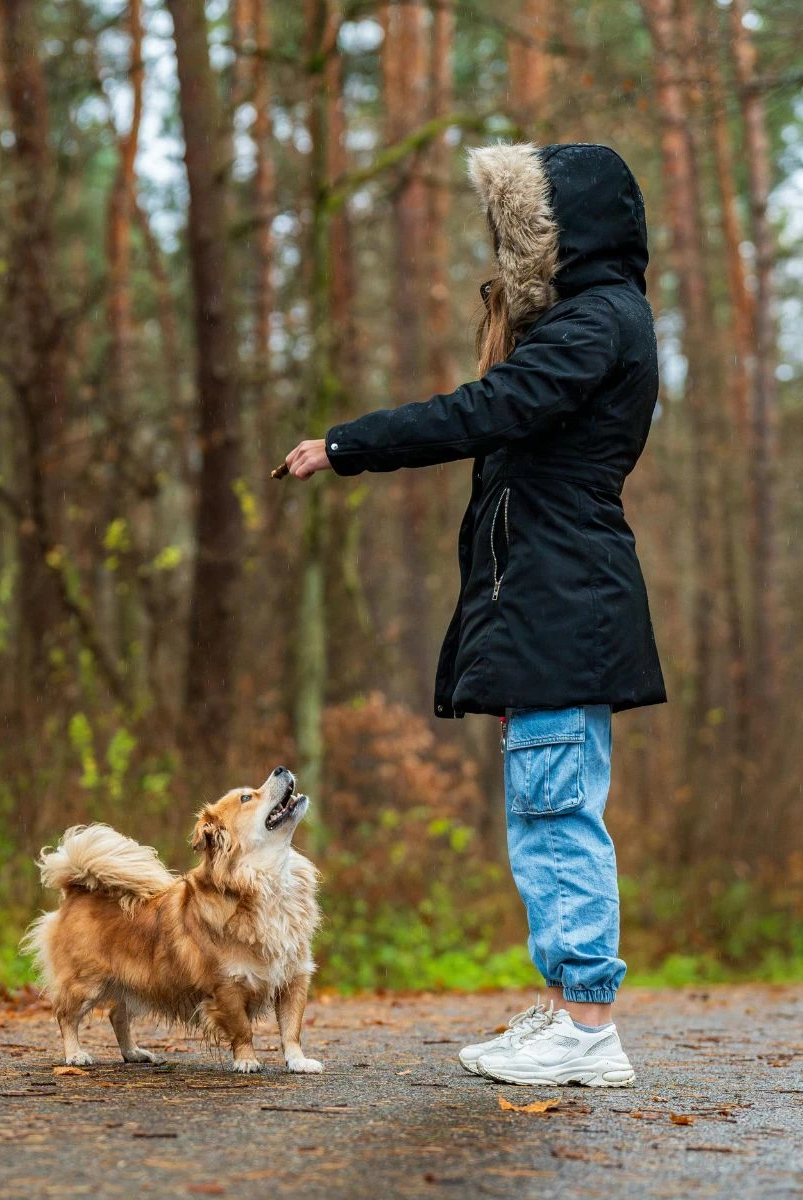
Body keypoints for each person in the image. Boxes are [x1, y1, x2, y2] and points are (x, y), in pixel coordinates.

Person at [284, 142, 666, 1087]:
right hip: (550, 611)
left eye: (518, 231)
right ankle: (566, 1009)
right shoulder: (594, 323)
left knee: (557, 816)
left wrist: (348, 444)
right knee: (543, 815)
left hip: (565, 610)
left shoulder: (599, 324)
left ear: (561, 234)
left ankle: (587, 1025)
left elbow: (481, 413)